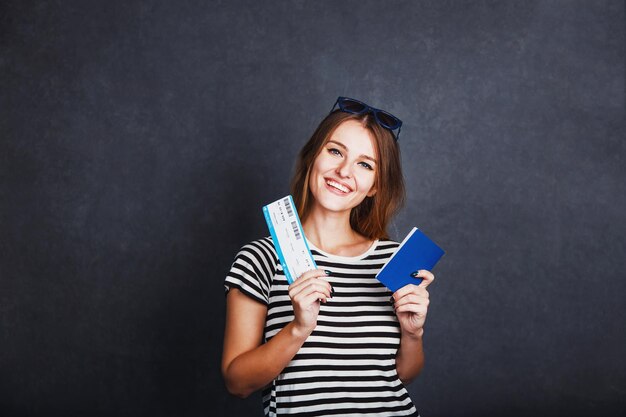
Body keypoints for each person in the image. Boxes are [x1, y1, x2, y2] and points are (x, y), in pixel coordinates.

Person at [222, 97, 435, 416]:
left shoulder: (394, 258)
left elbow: (405, 374)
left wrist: (412, 331)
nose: (343, 171)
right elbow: (237, 383)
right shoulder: (261, 258)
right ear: (312, 157)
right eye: (335, 151)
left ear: (375, 185)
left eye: (365, 164)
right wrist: (298, 327)